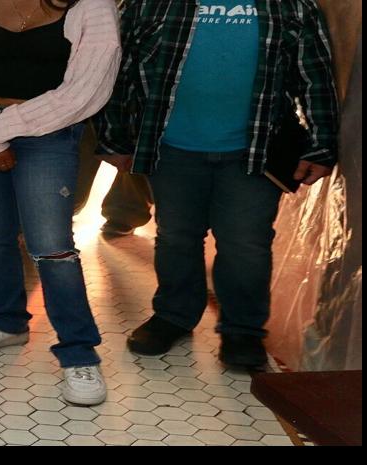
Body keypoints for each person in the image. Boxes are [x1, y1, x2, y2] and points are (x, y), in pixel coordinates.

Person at [97, 0, 338, 371]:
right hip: (171, 148)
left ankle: (242, 332)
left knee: (246, 244)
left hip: (254, 151)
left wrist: (322, 146)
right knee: (176, 236)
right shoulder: (149, 3)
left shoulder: (290, 5)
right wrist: (114, 137)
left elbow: (315, 76)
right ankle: (174, 316)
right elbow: (117, 67)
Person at [0, 0, 119, 406]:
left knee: (52, 247)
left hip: (48, 134)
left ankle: (78, 353)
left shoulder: (92, 7)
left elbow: (84, 92)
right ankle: (6, 321)